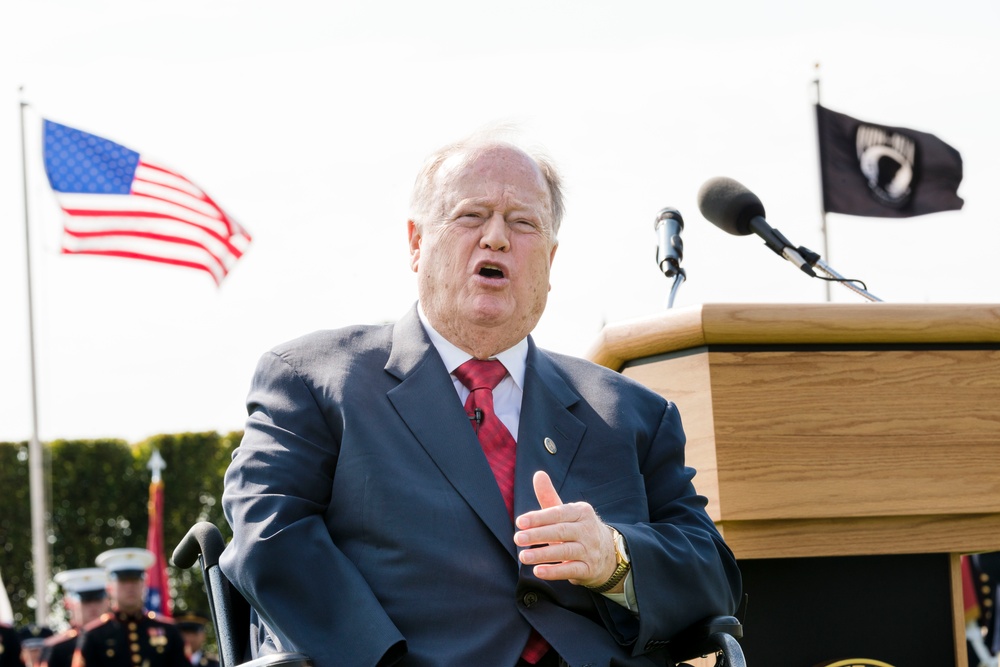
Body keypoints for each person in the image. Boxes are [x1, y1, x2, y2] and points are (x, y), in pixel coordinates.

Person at [220, 131, 742, 666]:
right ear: (416, 243)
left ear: (551, 261)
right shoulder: (314, 381)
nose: (496, 238)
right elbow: (270, 538)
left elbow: (715, 579)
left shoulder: (632, 413)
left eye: (523, 223)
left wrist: (616, 560)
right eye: (471, 216)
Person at [71, 549, 187, 667]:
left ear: (143, 583)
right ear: (110, 586)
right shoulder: (93, 635)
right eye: (123, 581)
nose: (130, 587)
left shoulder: (168, 630)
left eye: (135, 580)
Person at [39, 569, 110, 667]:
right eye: (86, 601)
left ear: (107, 601)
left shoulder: (117, 636)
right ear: (69, 603)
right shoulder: (58, 648)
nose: (93, 606)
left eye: (98, 600)